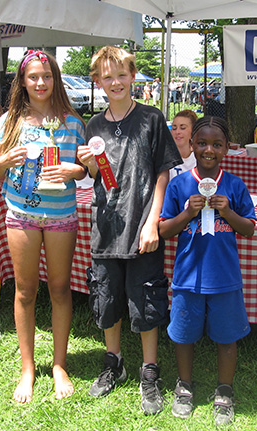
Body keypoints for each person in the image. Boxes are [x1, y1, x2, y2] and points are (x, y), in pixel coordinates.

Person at [77, 46, 181, 415]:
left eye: (122, 74)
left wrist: (153, 220)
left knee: (146, 300)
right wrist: (88, 164)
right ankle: (114, 362)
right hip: (106, 228)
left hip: (142, 228)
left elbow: (162, 172)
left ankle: (149, 370)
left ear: (133, 76)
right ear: (98, 82)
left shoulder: (152, 119)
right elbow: (94, 177)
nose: (116, 82)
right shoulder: (93, 126)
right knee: (107, 298)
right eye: (108, 76)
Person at [0, 50, 87, 403]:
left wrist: (71, 170)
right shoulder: (10, 122)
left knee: (60, 289)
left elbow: (84, 169)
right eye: (33, 77)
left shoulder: (72, 122)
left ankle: (59, 365)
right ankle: (28, 368)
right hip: (21, 215)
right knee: (25, 291)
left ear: (55, 79)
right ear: (23, 82)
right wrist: (4, 160)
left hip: (61, 215)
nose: (40, 83)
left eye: (46, 76)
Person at [159, 116, 256, 424]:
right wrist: (188, 212)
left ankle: (224, 391)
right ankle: (185, 385)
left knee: (227, 337)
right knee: (184, 334)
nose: (209, 150)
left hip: (225, 277)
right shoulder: (179, 184)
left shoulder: (235, 185)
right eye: (202, 143)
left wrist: (228, 211)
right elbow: (164, 230)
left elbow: (249, 229)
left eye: (216, 144)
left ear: (227, 148)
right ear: (191, 145)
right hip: (188, 276)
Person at [169, 109, 198, 180]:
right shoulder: (166, 157)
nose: (177, 132)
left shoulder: (199, 158)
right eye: (174, 128)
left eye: (182, 128)